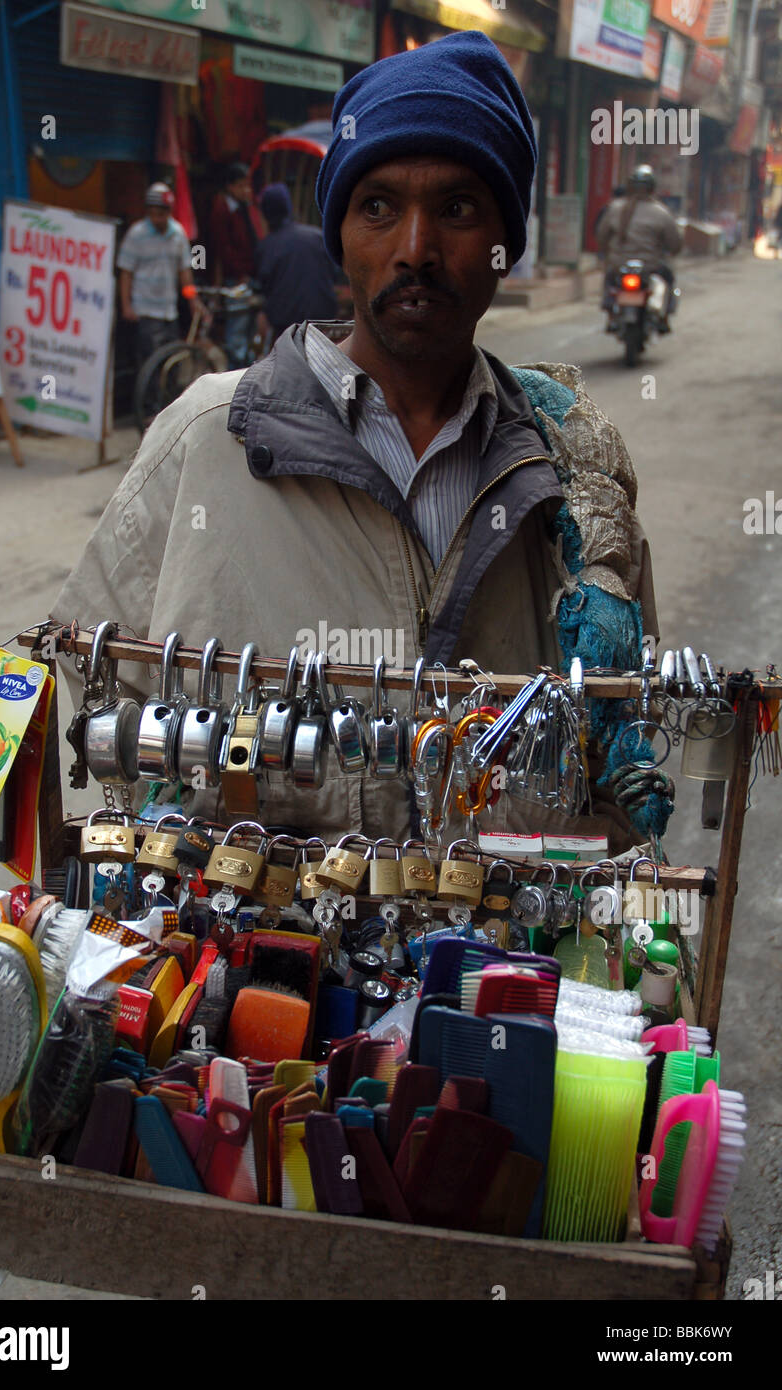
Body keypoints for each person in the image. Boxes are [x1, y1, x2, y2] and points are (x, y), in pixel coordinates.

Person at [54, 33, 668, 850]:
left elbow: (622, 735)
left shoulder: (572, 470)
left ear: (503, 247)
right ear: (340, 232)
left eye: (456, 208)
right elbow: (92, 688)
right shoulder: (208, 438)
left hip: (499, 966)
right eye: (378, 206)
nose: (415, 249)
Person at [117, 183, 202, 380]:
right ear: (148, 212)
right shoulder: (136, 234)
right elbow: (126, 273)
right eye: (154, 214)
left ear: (169, 212)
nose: (158, 219)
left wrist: (192, 300)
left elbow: (184, 271)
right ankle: (149, 407)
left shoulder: (178, 233)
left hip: (168, 310)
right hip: (145, 310)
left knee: (171, 361)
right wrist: (126, 305)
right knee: (149, 364)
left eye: (162, 214)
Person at [596, 166, 682, 328]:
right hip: (651, 266)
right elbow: (674, 244)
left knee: (609, 278)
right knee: (668, 277)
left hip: (618, 264)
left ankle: (610, 311)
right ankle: (664, 316)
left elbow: (602, 237)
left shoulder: (614, 208)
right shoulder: (661, 212)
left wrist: (606, 252)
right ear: (652, 188)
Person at [254, 183, 337, 339]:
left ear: (265, 213)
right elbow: (334, 274)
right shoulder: (316, 236)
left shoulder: (266, 247)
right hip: (323, 320)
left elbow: (264, 288)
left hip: (286, 327)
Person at [210, 163, 263, 368]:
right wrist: (239, 273)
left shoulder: (244, 209)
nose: (246, 191)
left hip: (248, 276)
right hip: (237, 279)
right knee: (237, 337)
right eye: (241, 186)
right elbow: (223, 249)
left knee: (248, 334)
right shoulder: (222, 209)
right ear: (230, 187)